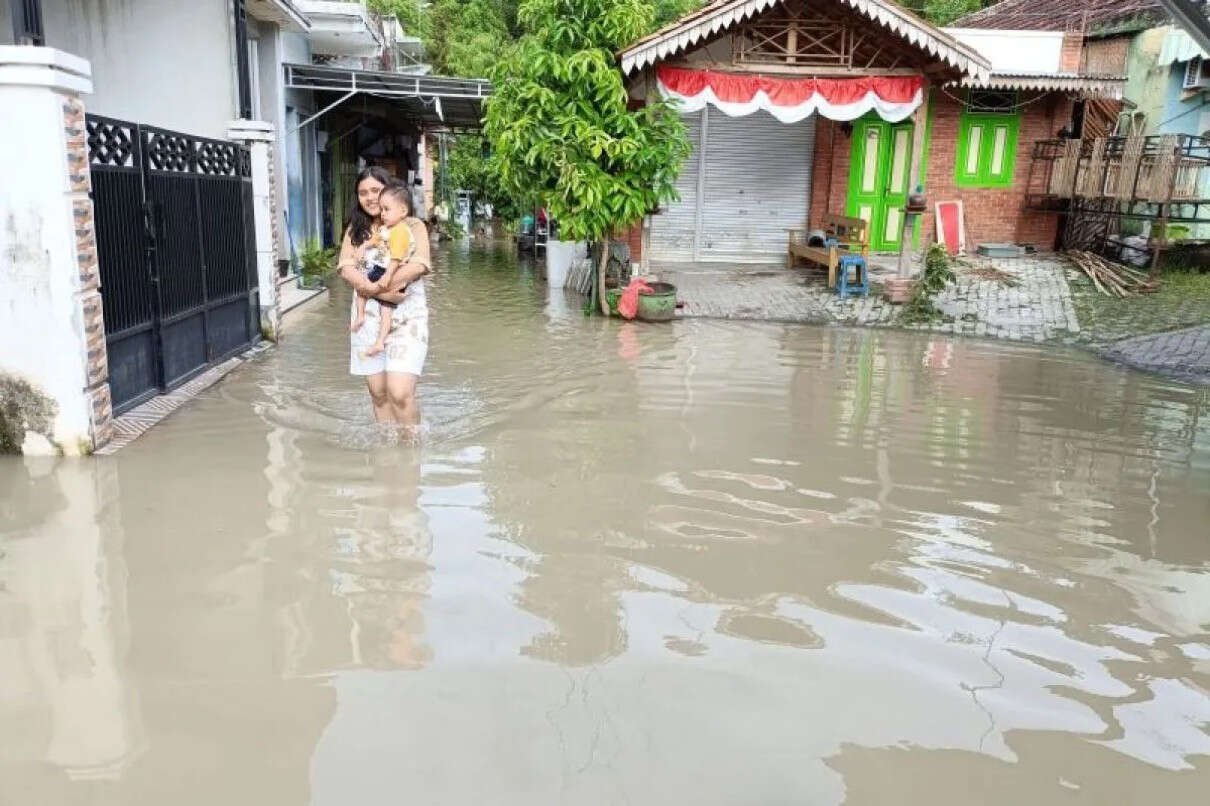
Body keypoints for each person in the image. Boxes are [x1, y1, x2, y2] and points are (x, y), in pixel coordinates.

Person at [336, 168, 432, 427]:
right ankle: (390, 452)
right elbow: (345, 267)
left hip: (407, 317)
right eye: (362, 192)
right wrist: (377, 290)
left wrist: (374, 287)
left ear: (388, 191)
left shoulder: (412, 225)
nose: (369, 198)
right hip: (367, 320)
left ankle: (411, 450)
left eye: (375, 191)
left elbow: (420, 265)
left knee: (400, 393)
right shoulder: (356, 230)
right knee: (379, 394)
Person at [350, 184, 413, 358]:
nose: (382, 213)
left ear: (402, 211)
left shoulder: (401, 231)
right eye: (382, 209)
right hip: (379, 268)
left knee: (386, 310)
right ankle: (361, 316)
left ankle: (379, 342)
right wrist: (363, 246)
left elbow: (396, 258)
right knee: (362, 288)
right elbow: (374, 241)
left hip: (391, 272)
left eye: (386, 209)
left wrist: (387, 276)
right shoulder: (386, 229)